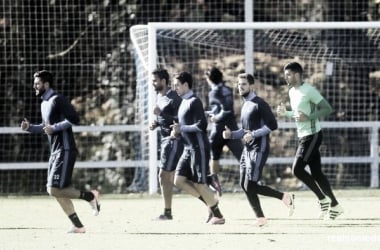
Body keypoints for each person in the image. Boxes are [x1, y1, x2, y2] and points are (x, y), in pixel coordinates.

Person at [20, 70, 100, 233]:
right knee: (55, 190)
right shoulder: (44, 103)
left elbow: (74, 119)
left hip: (65, 150)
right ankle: (78, 226)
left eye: (37, 83)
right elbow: (45, 128)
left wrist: (55, 127)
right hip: (55, 152)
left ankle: (91, 197)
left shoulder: (57, 99)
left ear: (46, 84)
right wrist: (29, 128)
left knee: (54, 189)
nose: (34, 86)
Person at [223, 73, 294, 227]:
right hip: (247, 150)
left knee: (250, 184)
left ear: (251, 86)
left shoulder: (259, 103)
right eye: (238, 84)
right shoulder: (245, 104)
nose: (240, 87)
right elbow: (244, 131)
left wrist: (253, 134)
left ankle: (283, 197)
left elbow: (272, 125)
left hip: (259, 149)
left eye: (243, 84)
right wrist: (231, 134)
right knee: (244, 184)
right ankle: (261, 218)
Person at [277, 62, 344, 220]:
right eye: (285, 74)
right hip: (303, 135)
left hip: (312, 135)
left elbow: (327, 108)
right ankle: (335, 206)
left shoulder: (309, 91)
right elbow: (298, 114)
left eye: (288, 74)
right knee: (317, 173)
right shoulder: (292, 91)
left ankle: (323, 199)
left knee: (297, 169)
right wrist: (286, 113)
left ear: (297, 74)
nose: (286, 77)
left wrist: (310, 117)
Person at [170, 71, 225, 225]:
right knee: (179, 180)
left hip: (198, 148)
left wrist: (182, 129)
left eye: (177, 85)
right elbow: (185, 127)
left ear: (186, 85)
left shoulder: (194, 101)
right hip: (188, 149)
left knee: (200, 184)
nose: (175, 89)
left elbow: (201, 125)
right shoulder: (183, 102)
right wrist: (177, 133)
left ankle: (218, 215)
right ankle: (210, 202)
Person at [149, 68, 183, 220]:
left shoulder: (174, 97)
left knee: (167, 176)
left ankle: (211, 204)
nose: (153, 83)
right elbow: (164, 117)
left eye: (155, 80)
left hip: (173, 140)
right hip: (164, 141)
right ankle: (211, 204)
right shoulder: (159, 96)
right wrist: (156, 123)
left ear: (163, 81)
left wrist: (163, 114)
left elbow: (180, 117)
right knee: (176, 178)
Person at [204, 67, 244, 196]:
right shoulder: (227, 89)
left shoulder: (214, 92)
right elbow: (225, 109)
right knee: (242, 157)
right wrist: (208, 113)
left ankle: (214, 183)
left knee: (214, 157)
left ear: (209, 79)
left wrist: (216, 117)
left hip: (219, 129)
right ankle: (253, 181)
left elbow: (225, 110)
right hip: (232, 128)